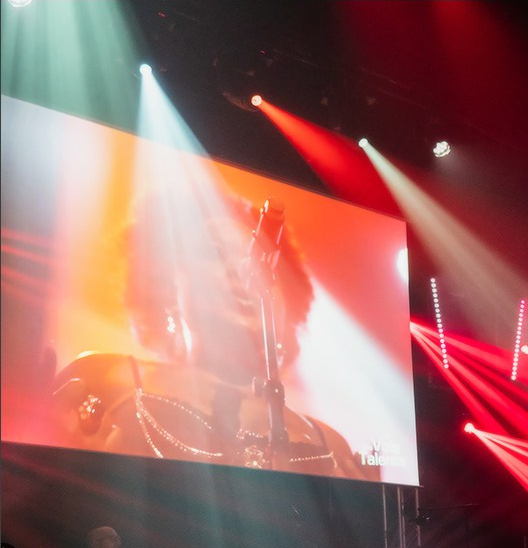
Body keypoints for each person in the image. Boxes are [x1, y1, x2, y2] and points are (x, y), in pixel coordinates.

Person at [46, 191, 377, 481]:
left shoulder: (329, 445)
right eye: (215, 253)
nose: (241, 273)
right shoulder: (102, 379)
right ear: (168, 285)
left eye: (262, 265)